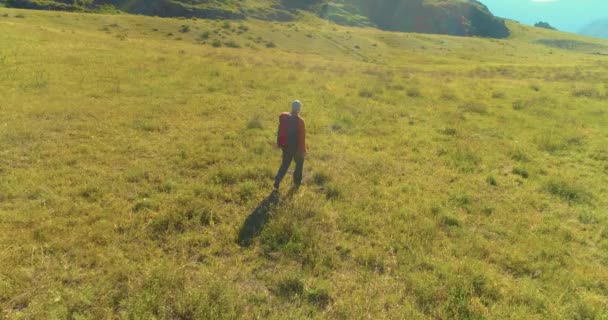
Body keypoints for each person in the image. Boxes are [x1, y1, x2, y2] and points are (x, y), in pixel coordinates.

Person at [274, 100, 306, 190]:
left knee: (285, 164)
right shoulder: (300, 121)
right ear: (299, 109)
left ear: (292, 107)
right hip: (296, 147)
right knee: (299, 163)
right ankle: (297, 181)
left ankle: (277, 180)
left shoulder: (284, 117)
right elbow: (302, 138)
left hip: (285, 145)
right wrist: (303, 150)